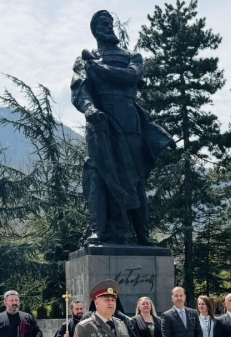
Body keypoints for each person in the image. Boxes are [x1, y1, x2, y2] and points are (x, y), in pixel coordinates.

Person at [70, 10, 173, 246]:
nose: (107, 27)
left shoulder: (131, 56)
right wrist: (90, 109)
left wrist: (99, 68)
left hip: (129, 122)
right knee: (97, 173)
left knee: (136, 177)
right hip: (100, 122)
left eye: (109, 23)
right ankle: (99, 231)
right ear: (94, 30)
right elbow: (79, 90)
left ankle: (142, 234)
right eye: (102, 24)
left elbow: (131, 77)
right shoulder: (84, 60)